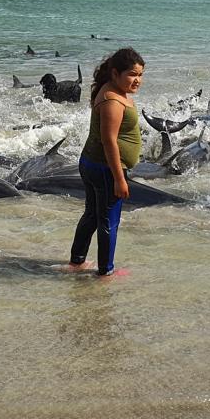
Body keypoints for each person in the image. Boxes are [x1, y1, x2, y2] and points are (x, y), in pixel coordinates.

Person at [68, 47, 144, 277]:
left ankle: (77, 261)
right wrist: (120, 180)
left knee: (92, 215)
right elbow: (109, 142)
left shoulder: (112, 91)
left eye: (140, 75)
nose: (137, 80)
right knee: (108, 222)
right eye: (132, 74)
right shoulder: (112, 100)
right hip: (106, 169)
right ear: (115, 73)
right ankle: (106, 272)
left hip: (93, 164)